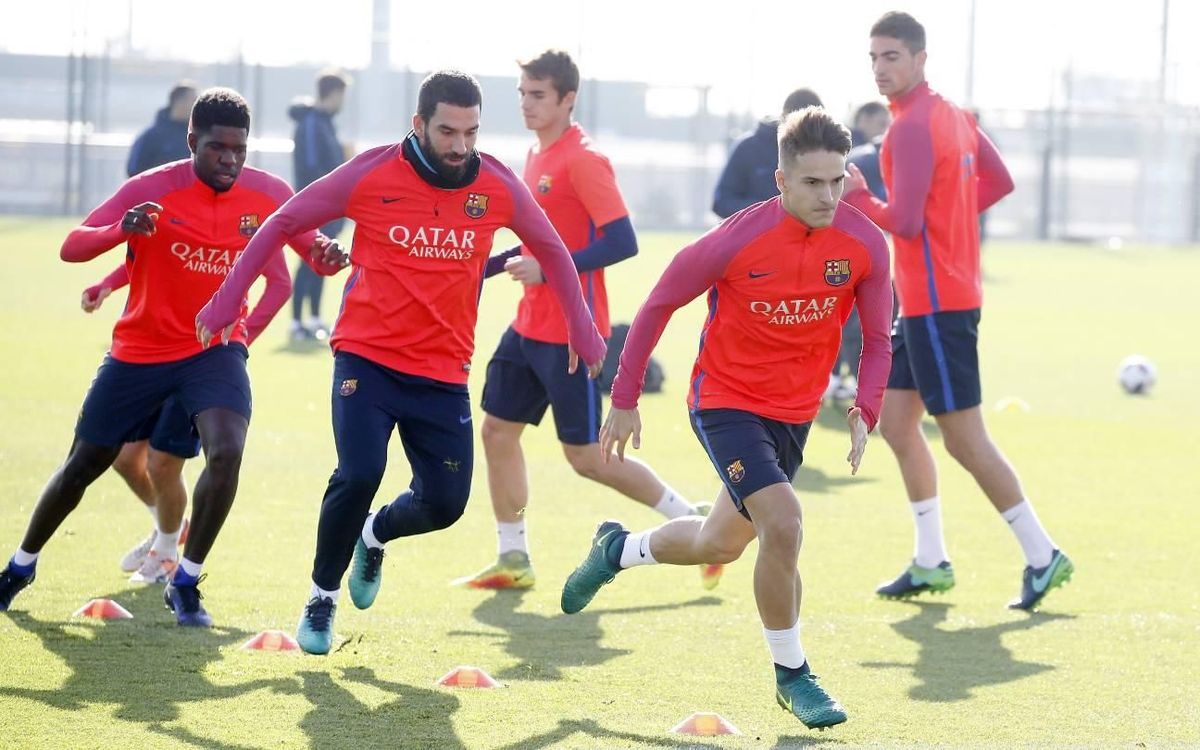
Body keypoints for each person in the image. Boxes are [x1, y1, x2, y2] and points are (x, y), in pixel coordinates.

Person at [196, 70, 606, 655]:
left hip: (442, 373)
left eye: (470, 132)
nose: (460, 145)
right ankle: (320, 597)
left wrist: (585, 332)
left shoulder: (496, 184)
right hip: (367, 356)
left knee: (445, 503)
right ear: (419, 125)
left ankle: (375, 533)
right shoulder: (372, 171)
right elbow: (285, 219)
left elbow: (554, 253)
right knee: (359, 473)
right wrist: (227, 299)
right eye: (447, 131)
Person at [559, 108, 893, 729]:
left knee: (720, 543)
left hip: (792, 415)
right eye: (813, 183)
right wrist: (625, 396)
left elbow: (878, 340)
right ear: (780, 181)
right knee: (785, 524)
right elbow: (658, 303)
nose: (828, 196)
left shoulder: (866, 244)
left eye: (837, 181)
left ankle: (616, 550)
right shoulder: (736, 240)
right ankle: (793, 676)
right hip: (725, 402)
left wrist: (865, 407)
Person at [0, 87, 342, 625]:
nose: (229, 159)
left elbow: (312, 256)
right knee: (84, 465)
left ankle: (185, 581)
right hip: (140, 351)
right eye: (216, 148)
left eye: (239, 149)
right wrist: (122, 229)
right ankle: (20, 568)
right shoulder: (152, 189)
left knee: (226, 451)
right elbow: (73, 245)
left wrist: (327, 254)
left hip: (214, 350)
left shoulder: (269, 192)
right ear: (192, 141)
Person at [453, 50, 714, 592]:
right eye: (522, 92)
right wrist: (484, 267)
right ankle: (513, 557)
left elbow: (622, 241)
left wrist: (550, 272)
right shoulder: (534, 154)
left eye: (539, 94)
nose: (527, 103)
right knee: (497, 431)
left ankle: (695, 521)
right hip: (526, 328)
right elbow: (538, 242)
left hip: (570, 333)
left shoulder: (583, 159)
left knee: (588, 458)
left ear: (568, 99)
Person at [843, 11, 1072, 611]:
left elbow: (908, 222)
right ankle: (930, 561)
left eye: (891, 56)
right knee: (896, 423)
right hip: (929, 301)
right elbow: (995, 183)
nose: (880, 68)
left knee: (965, 440)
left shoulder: (912, 129)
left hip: (939, 305)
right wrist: (949, 219)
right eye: (873, 57)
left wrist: (860, 196)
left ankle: (1043, 555)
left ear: (920, 59)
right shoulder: (953, 116)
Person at [79, 244, 291, 583]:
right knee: (124, 458)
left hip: (202, 363)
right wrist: (107, 284)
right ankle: (171, 526)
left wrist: (241, 337)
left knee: (162, 463)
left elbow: (280, 283)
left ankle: (165, 554)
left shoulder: (250, 207)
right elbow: (152, 256)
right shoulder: (179, 196)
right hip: (151, 352)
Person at [826, 101, 893, 404]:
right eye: (880, 123)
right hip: (849, 251)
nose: (885, 131)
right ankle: (842, 378)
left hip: (865, 250)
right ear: (864, 120)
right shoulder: (861, 158)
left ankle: (843, 380)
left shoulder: (863, 155)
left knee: (861, 321)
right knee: (851, 320)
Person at [287, 69, 352, 341]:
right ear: (335, 93)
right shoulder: (313, 122)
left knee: (323, 260)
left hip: (329, 208)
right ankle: (296, 322)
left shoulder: (325, 123)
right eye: (342, 95)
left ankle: (313, 319)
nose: (343, 101)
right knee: (307, 262)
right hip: (315, 208)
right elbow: (313, 167)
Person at [711, 88, 823, 219]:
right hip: (758, 236)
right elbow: (722, 202)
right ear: (785, 119)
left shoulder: (829, 152)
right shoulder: (748, 148)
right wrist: (770, 211)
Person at [126, 82, 198, 177]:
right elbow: (134, 171)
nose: (197, 105)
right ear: (179, 102)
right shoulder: (150, 137)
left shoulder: (200, 136)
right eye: (193, 100)